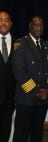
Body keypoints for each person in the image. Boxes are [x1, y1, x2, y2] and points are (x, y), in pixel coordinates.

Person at [12, 15, 48, 142]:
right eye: (36, 24)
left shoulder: (47, 45)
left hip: (42, 100)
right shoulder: (20, 44)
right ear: (30, 26)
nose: (39, 27)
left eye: (41, 25)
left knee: (37, 133)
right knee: (21, 134)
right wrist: (37, 91)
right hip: (27, 98)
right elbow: (19, 72)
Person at [0, 11, 16, 142]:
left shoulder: (21, 44)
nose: (3, 23)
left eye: (6, 20)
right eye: (0, 20)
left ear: (11, 23)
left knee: (6, 129)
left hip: (11, 97)